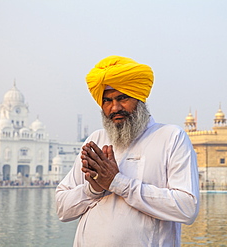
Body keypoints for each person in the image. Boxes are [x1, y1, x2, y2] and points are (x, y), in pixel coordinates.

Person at [55, 56, 200, 246]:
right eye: (107, 101)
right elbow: (63, 210)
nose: (114, 107)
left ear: (139, 98)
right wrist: (94, 189)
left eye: (122, 98)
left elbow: (187, 208)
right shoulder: (96, 140)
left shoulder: (170, 137)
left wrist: (117, 182)